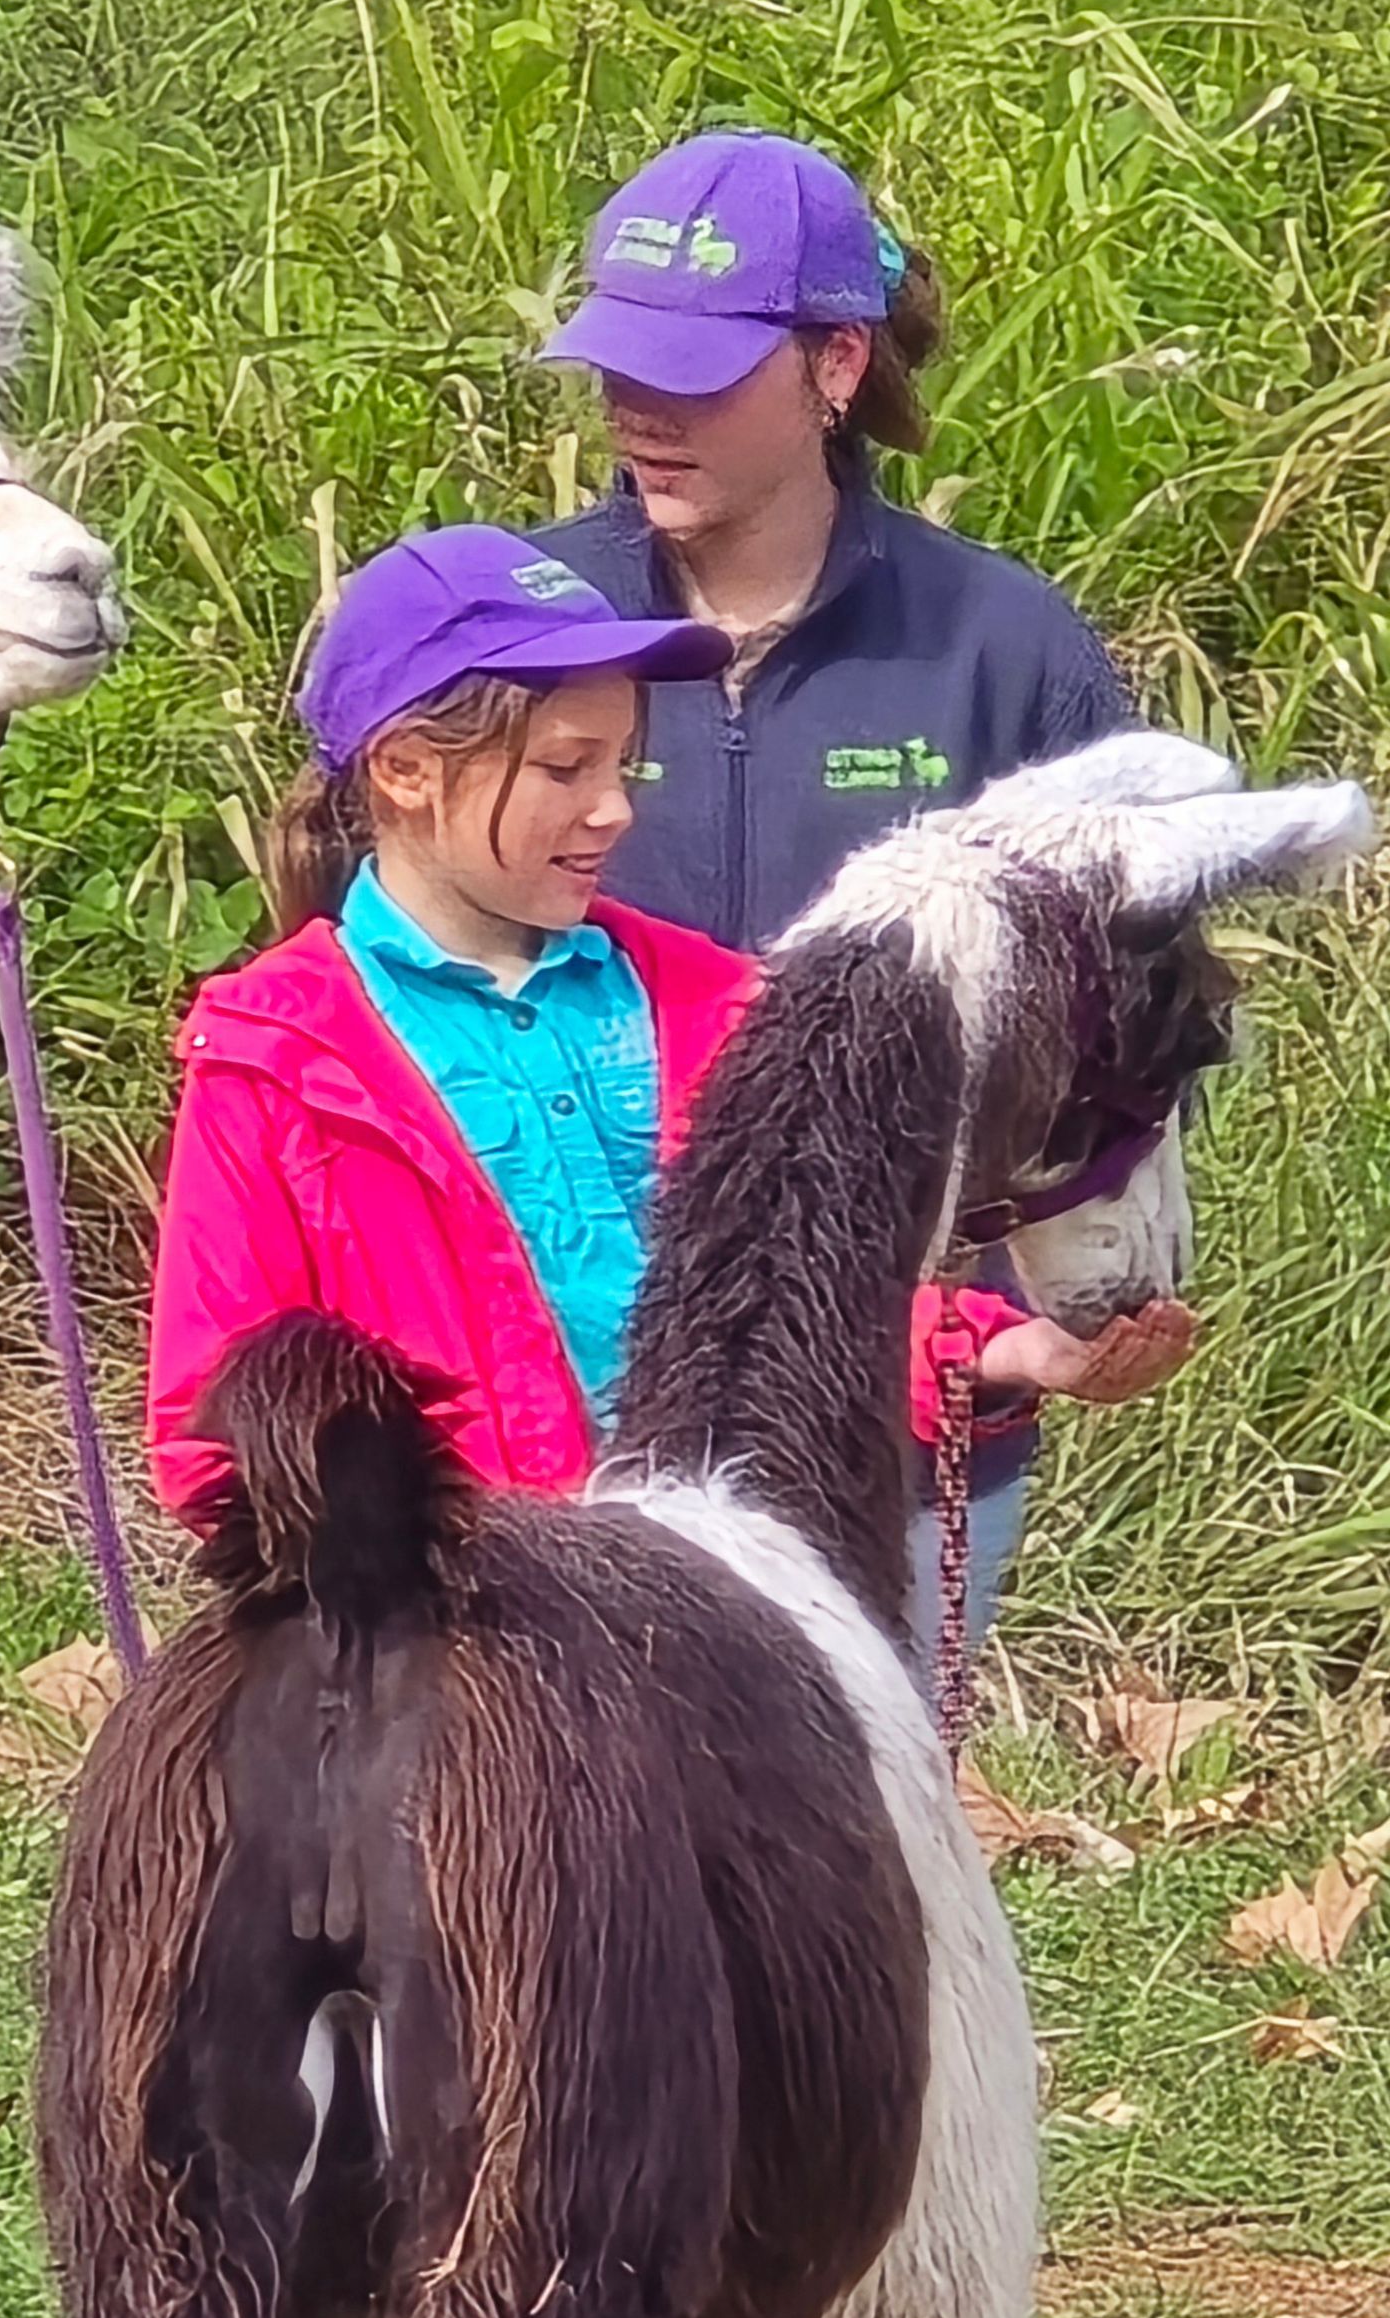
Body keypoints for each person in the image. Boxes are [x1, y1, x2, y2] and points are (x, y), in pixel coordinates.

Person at [144, 523, 1178, 1539]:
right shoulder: (271, 1057)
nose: (613, 812)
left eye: (624, 769)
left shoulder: (714, 1000)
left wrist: (1001, 1354)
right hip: (461, 1652)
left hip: (732, 1601)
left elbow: (802, 1299)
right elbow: (210, 1431)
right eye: (565, 770)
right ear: (407, 770)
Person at [530, 128, 1155, 1660]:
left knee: (851, 1866)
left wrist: (1084, 1278)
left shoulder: (1003, 650)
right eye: (618, 365)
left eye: (693, 373)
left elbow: (1129, 1023)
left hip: (908, 1392)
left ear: (834, 362)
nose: (638, 412)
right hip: (558, 1394)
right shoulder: (521, 621)